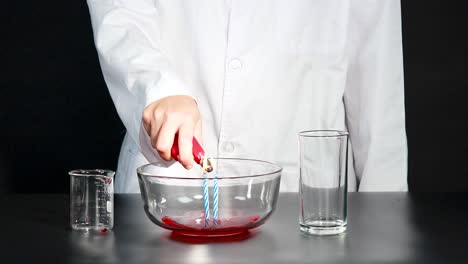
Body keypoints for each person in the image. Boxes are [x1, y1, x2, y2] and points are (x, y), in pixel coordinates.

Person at [87, 0, 407, 193]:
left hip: (304, 199)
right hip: (171, 185)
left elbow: (378, 88)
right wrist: (156, 89)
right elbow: (121, 12)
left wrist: (386, 231)